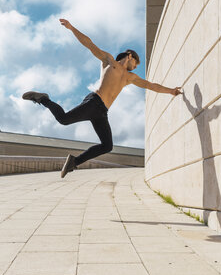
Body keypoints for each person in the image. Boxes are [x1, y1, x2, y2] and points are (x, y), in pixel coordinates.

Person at [23, 19, 182, 178]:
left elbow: (151, 85)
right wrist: (71, 28)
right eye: (136, 62)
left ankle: (74, 162)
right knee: (64, 119)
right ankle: (43, 99)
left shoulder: (130, 77)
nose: (136, 66)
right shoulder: (109, 60)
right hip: (94, 102)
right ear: (130, 56)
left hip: (102, 112)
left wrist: (170, 91)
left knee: (107, 145)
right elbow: (89, 44)